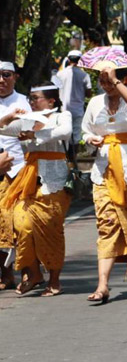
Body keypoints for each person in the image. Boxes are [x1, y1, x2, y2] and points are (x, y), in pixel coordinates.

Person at [82, 57, 127, 302]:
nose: (106, 84)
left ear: (125, 78)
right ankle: (102, 285)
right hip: (104, 169)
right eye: (102, 80)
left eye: (110, 79)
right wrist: (89, 139)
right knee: (106, 224)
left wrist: (117, 83)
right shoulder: (94, 103)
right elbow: (86, 130)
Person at [0, 83, 71, 296]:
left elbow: (65, 132)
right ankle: (34, 272)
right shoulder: (27, 121)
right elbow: (2, 128)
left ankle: (54, 280)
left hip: (54, 181)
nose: (31, 102)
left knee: (50, 231)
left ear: (51, 101)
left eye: (36, 98)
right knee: (20, 224)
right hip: (29, 179)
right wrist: (11, 115)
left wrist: (34, 136)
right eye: (30, 98)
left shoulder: (61, 116)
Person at [0, 61, 31, 292]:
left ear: (15, 77)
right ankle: (6, 274)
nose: (1, 80)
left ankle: (29, 272)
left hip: (20, 168)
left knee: (23, 223)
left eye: (6, 75)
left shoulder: (24, 102)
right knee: (1, 224)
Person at [55, 50, 92, 144]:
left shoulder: (59, 74)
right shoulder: (84, 75)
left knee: (64, 136)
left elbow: (55, 91)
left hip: (63, 109)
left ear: (68, 59)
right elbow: (89, 93)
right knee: (76, 136)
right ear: (80, 60)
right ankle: (74, 157)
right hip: (78, 109)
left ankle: (67, 157)